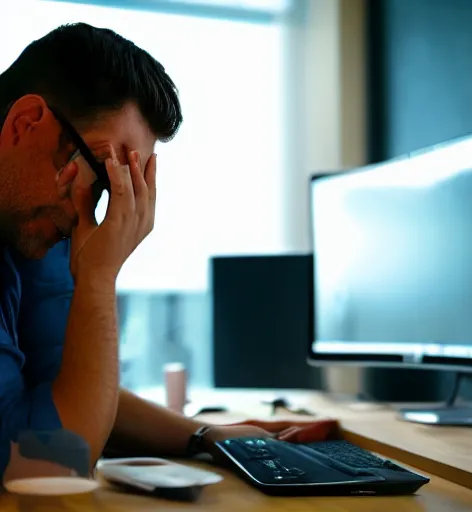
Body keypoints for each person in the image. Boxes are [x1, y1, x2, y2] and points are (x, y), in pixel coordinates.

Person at [0, 23, 340, 480]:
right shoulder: (40, 214)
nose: (97, 213)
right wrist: (99, 277)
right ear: (26, 124)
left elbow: (68, 393)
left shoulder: (35, 225)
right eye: (102, 174)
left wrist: (203, 434)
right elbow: (44, 461)